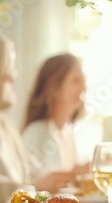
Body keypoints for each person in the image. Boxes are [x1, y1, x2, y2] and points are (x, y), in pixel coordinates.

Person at [0, 32, 83, 203]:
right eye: (9, 68)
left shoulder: (4, 125)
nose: (15, 76)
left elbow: (28, 174)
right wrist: (34, 186)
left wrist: (63, 177)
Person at [21, 53, 90, 182]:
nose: (84, 87)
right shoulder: (35, 132)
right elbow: (26, 183)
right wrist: (74, 174)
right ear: (56, 88)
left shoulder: (68, 131)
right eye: (76, 80)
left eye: (84, 79)